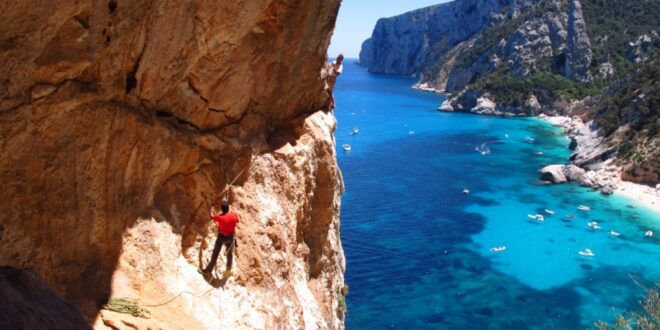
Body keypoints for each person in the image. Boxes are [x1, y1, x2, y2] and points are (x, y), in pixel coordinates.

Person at [200, 201, 239, 278]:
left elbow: (212, 216)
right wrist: (231, 214)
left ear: (222, 209)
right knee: (229, 253)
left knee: (215, 253)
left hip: (221, 236)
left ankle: (208, 271)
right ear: (228, 208)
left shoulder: (220, 217)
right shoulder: (234, 216)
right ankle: (228, 269)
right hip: (230, 237)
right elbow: (237, 220)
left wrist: (211, 210)